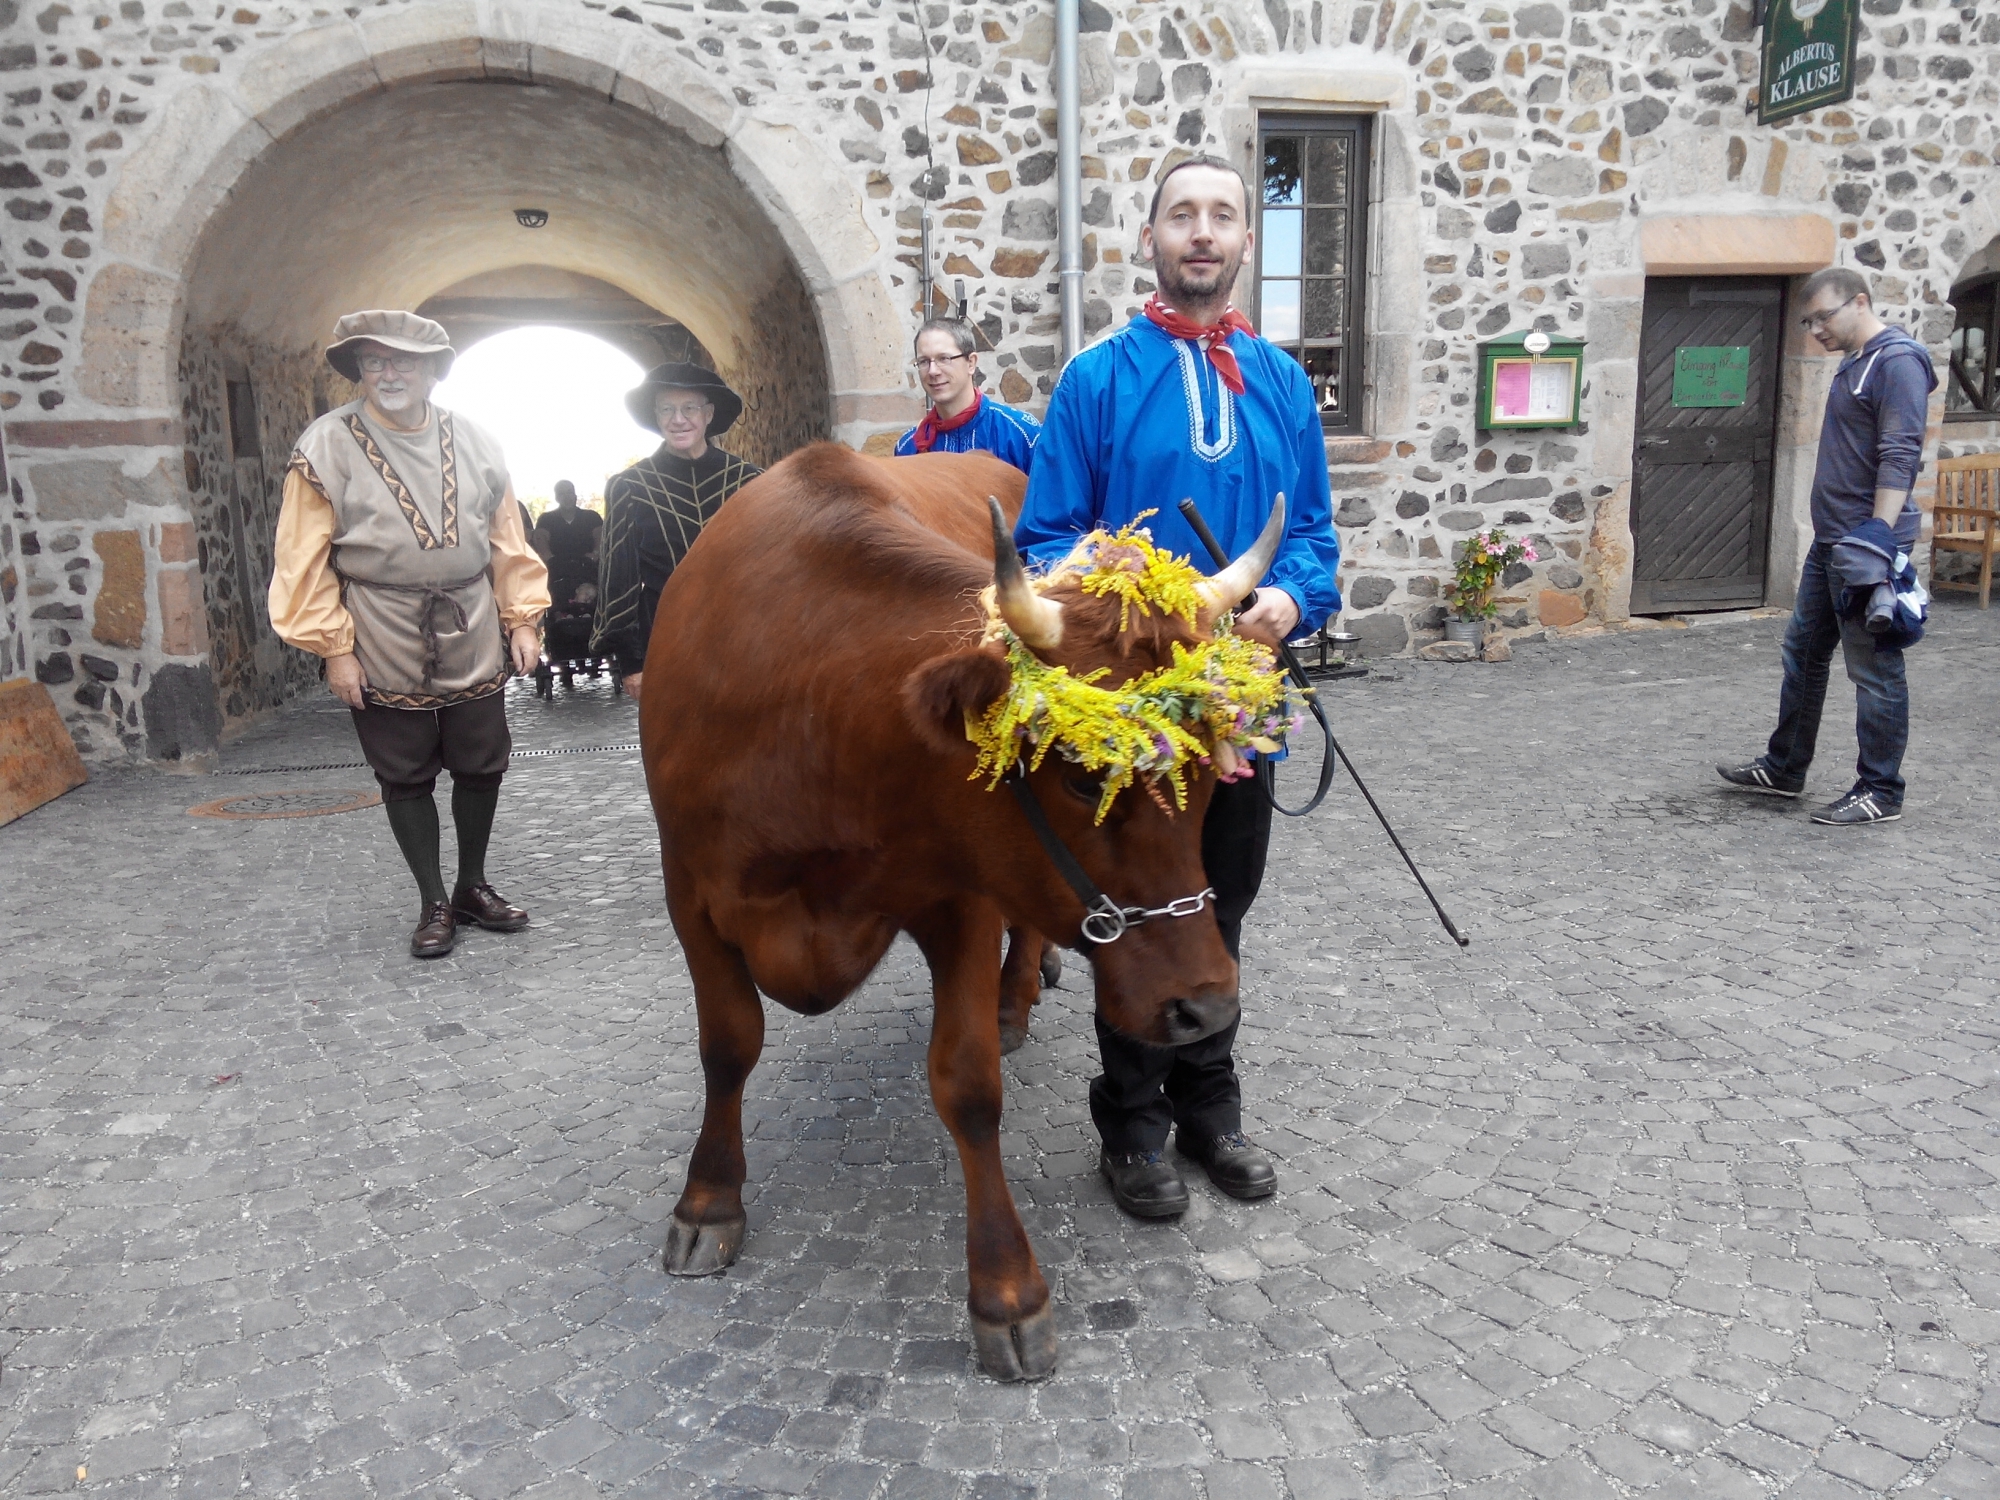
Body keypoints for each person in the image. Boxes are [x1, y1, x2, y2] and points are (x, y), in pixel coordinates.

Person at [1015, 155, 1341, 1218]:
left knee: (1222, 906)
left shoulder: (1282, 383)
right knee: (1135, 908)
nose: (1200, 232)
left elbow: (1315, 541)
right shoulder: (1094, 378)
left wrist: (1288, 604)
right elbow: (1046, 536)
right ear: (1148, 236)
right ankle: (1135, 1126)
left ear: (1245, 240)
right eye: (1180, 215)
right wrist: (1114, 573)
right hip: (1131, 717)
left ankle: (1213, 1116)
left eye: (1221, 216)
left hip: (1239, 705)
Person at [269, 310, 550, 958]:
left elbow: (508, 538)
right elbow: (302, 557)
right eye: (374, 361)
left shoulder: (477, 439)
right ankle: (432, 899)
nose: (389, 373)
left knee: (483, 762)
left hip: (471, 619)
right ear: (360, 370)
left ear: (430, 371)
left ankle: (472, 886)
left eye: (403, 361)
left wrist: (523, 617)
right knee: (404, 772)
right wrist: (335, 650)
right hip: (379, 626)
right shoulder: (326, 444)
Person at [1717, 266, 1937, 826]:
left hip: (1864, 550)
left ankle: (1881, 790)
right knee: (1803, 653)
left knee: (1874, 670)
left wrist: (1879, 539)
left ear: (1859, 302)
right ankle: (1785, 767)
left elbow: (1901, 452)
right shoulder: (1855, 362)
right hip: (1831, 544)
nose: (1815, 329)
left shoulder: (1898, 362)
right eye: (1809, 320)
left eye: (1822, 317)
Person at [593, 363, 762, 700]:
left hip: (743, 643)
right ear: (656, 416)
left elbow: (771, 569)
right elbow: (619, 578)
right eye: (667, 409)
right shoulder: (630, 487)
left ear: (709, 414)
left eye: (689, 408)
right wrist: (631, 662)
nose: (678, 419)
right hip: (666, 641)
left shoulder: (749, 481)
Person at [894, 318, 1041, 472]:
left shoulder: (1022, 434)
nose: (932, 371)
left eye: (944, 359)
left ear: (971, 363)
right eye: (923, 361)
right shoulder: (908, 448)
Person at [533, 479, 603, 606]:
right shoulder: (546, 519)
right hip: (557, 574)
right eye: (561, 493)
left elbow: (600, 535)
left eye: (569, 492)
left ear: (575, 495)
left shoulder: (591, 517)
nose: (566, 497)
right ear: (556, 497)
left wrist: (595, 553)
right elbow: (540, 538)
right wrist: (549, 558)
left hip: (587, 572)